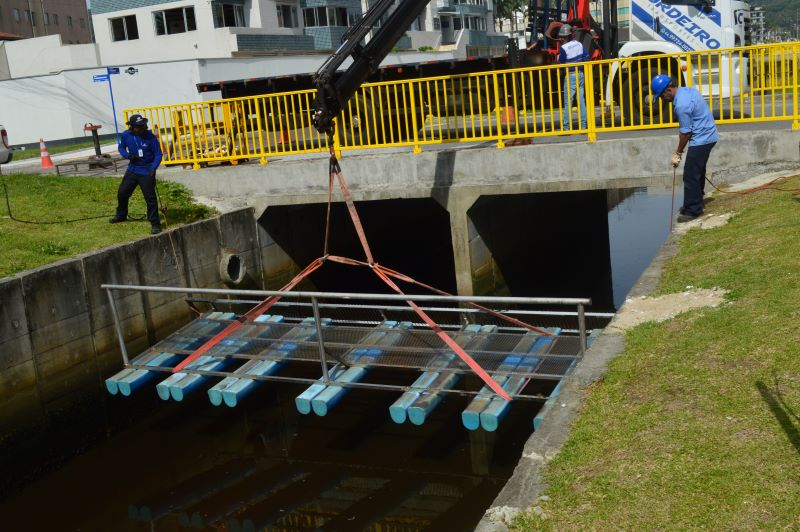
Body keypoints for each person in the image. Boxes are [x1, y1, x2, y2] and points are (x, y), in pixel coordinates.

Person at [651, 74, 719, 223]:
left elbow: (686, 133)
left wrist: (678, 153)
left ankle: (693, 210)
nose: (663, 99)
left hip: (702, 139)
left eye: (662, 96)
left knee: (690, 174)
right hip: (710, 135)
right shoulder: (687, 91)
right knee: (698, 171)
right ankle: (695, 201)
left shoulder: (681, 105)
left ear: (668, 89)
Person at [110, 114, 163, 234]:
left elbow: (158, 154)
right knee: (122, 193)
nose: (141, 128)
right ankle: (121, 215)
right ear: (132, 127)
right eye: (138, 126)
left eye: (142, 125)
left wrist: (153, 168)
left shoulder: (151, 137)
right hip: (133, 169)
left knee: (150, 198)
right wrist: (128, 155)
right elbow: (121, 147)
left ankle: (155, 223)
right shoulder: (126, 135)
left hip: (146, 171)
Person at [558, 24, 589, 131]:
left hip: (570, 75)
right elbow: (586, 56)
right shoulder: (579, 44)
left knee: (568, 102)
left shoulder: (563, 48)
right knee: (581, 101)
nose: (561, 38)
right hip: (580, 74)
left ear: (567, 36)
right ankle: (584, 126)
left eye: (562, 36)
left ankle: (566, 128)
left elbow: (560, 62)